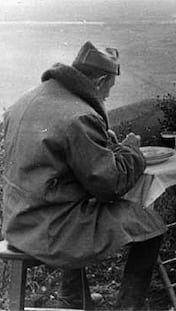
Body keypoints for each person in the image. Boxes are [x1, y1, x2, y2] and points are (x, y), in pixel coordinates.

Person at [2, 41, 166, 310]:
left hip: (18, 221)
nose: (106, 98)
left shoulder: (27, 99)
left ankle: (75, 299)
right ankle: (128, 307)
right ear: (101, 81)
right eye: (108, 90)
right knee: (149, 225)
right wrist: (131, 150)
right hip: (51, 230)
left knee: (80, 206)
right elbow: (110, 184)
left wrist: (99, 144)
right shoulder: (79, 116)